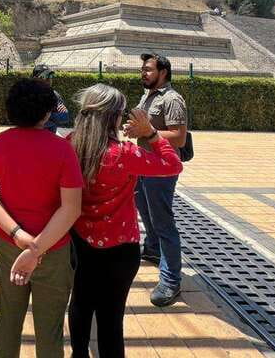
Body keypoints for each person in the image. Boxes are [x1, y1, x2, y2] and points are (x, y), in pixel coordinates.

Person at [68, 84, 183, 358]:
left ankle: (79, 353)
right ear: (115, 117)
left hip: (78, 242)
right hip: (121, 248)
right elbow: (172, 164)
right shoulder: (125, 154)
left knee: (81, 302)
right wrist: (152, 134)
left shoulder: (68, 146)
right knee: (111, 315)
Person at [0, 78, 83, 358]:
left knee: (8, 318)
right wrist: (38, 248)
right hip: (54, 249)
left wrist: (18, 236)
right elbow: (71, 208)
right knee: (49, 327)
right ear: (47, 113)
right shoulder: (62, 149)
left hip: (10, 245)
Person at [126, 53, 188, 307]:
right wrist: (135, 130)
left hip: (162, 169)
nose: (144, 73)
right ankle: (152, 249)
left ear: (163, 72)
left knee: (163, 222)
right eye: (143, 69)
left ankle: (171, 280)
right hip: (144, 164)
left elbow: (179, 137)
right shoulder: (149, 96)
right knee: (146, 213)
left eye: (149, 70)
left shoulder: (173, 99)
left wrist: (148, 132)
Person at [31, 65, 70, 134]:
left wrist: (44, 116)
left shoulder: (54, 95)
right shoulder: (26, 94)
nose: (49, 79)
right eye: (45, 76)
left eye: (51, 76)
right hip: (28, 138)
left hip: (49, 140)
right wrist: (53, 117)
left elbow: (65, 117)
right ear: (35, 78)